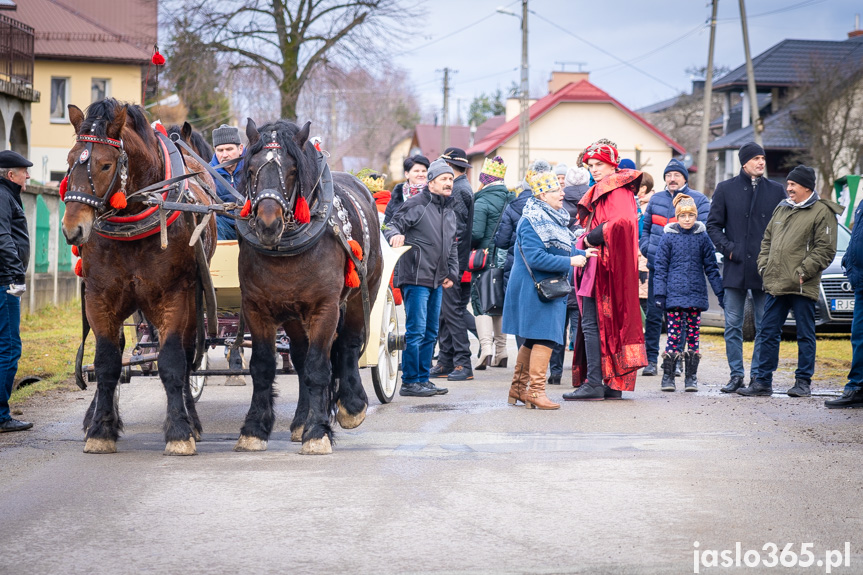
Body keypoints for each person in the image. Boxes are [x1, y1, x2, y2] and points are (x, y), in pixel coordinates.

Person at [737, 165, 841, 397]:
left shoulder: (822, 212)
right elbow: (767, 241)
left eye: (793, 184)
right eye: (788, 184)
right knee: (768, 332)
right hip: (776, 283)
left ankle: (802, 382)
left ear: (806, 187)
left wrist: (803, 272)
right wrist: (763, 265)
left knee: (805, 333)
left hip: (803, 284)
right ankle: (763, 381)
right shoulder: (782, 209)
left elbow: (825, 249)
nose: (789, 188)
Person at [502, 171, 596, 409]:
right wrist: (570, 262)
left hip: (542, 289)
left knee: (534, 339)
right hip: (536, 290)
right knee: (544, 337)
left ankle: (519, 389)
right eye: (556, 190)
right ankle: (535, 391)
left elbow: (558, 249)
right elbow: (536, 258)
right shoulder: (532, 220)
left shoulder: (549, 217)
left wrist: (582, 253)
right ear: (543, 194)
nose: (562, 193)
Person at [565, 140, 647, 401]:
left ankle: (595, 383)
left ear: (613, 164)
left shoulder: (616, 189)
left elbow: (621, 222)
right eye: (590, 166)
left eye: (599, 164)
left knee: (591, 323)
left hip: (603, 267)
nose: (594, 170)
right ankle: (609, 382)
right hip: (600, 266)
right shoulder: (613, 189)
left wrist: (591, 238)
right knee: (600, 324)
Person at [706, 142, 787, 393]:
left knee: (765, 326)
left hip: (765, 270)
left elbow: (784, 228)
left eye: (763, 158)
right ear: (744, 162)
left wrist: (773, 256)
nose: (761, 162)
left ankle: (759, 378)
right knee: (732, 325)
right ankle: (736, 376)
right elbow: (712, 226)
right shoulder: (725, 189)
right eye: (755, 158)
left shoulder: (776, 190)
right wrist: (730, 249)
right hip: (735, 267)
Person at [384, 159, 459, 397]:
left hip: (437, 279)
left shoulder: (449, 209)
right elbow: (391, 226)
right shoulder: (416, 204)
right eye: (444, 179)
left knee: (430, 332)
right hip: (415, 276)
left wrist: (451, 273)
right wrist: (395, 235)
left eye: (451, 179)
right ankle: (409, 381)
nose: (449, 183)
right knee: (416, 331)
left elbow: (452, 246)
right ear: (432, 182)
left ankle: (423, 379)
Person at [640, 159, 710, 377]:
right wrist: (646, 247)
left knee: (681, 317)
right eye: (668, 175)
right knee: (653, 315)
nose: (671, 179)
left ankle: (677, 360)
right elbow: (646, 228)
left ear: (684, 178)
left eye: (676, 175)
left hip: (684, 272)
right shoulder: (656, 200)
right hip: (658, 268)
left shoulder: (698, 199)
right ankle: (651, 360)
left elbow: (706, 231)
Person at [653, 194, 724, 392]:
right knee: (674, 336)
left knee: (693, 336)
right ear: (677, 216)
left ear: (696, 216)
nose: (686, 219)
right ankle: (668, 377)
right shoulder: (668, 238)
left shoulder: (702, 238)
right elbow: (660, 267)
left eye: (690, 215)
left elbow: (711, 267)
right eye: (683, 215)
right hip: (674, 296)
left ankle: (691, 377)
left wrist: (720, 293)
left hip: (695, 295)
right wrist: (659, 295)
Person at [430, 147, 475, 382]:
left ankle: (463, 363)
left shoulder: (457, 191)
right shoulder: (461, 187)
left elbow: (454, 231)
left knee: (453, 313)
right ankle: (446, 361)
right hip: (456, 260)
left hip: (453, 262)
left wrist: (447, 264)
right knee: (445, 314)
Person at [470, 156, 514, 370]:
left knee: (481, 301)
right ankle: (502, 351)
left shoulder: (482, 201)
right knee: (499, 302)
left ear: (484, 179)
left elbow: (476, 234)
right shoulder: (511, 199)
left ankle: (486, 348)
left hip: (485, 259)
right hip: (506, 259)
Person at [0, 151, 32, 432]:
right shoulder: (2, 196)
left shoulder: (7, 195)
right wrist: (16, 275)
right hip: (5, 284)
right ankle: (1, 416)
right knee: (9, 348)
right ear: (11, 175)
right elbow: (3, 238)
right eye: (24, 171)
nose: (28, 176)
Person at [549, 165, 590, 381]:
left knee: (557, 330)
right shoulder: (592, 203)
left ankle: (555, 373)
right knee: (580, 331)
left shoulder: (558, 207)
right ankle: (579, 375)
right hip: (582, 278)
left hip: (561, 276)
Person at [826, 196, 863, 408]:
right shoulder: (861, 205)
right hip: (859, 282)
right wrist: (848, 260)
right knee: (858, 337)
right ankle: (856, 388)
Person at [209, 124, 244, 241]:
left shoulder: (253, 168)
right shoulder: (206, 174)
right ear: (215, 151)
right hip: (223, 226)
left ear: (240, 149)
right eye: (220, 150)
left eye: (229, 149)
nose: (224, 155)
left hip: (251, 223)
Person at [384, 155, 429, 224]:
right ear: (407, 174)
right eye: (416, 171)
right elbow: (386, 225)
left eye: (424, 171)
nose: (421, 174)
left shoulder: (434, 195)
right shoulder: (397, 198)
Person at [637, 173, 655, 316]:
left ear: (643, 189)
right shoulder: (640, 204)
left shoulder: (648, 207)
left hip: (643, 260)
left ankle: (646, 335)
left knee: (643, 301)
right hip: (637, 259)